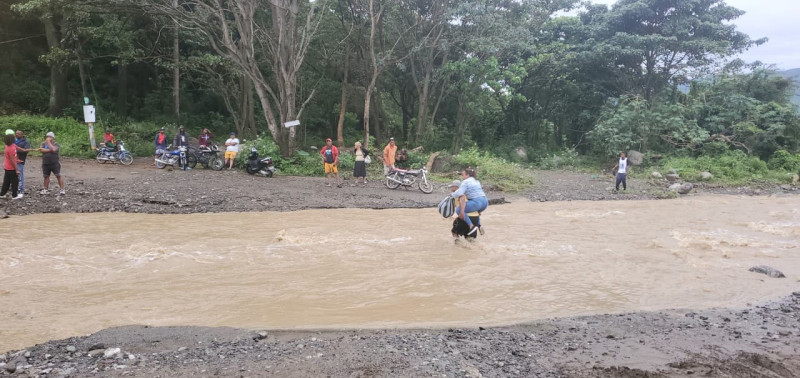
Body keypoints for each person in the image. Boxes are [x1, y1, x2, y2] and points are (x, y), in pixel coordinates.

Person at [451, 168, 487, 236]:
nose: (462, 177)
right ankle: (479, 225)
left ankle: (471, 226)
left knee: (459, 210)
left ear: (467, 175)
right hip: (484, 202)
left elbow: (460, 194)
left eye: (463, 175)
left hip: (476, 202)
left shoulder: (465, 182)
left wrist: (452, 195)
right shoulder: (477, 181)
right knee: (476, 211)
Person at [1, 133, 22, 200]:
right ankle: (14, 195)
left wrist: (28, 150)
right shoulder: (11, 148)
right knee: (15, 181)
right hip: (11, 168)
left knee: (6, 181)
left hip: (7, 167)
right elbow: (12, 160)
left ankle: (2, 194)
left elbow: (16, 153)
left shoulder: (9, 146)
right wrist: (16, 169)